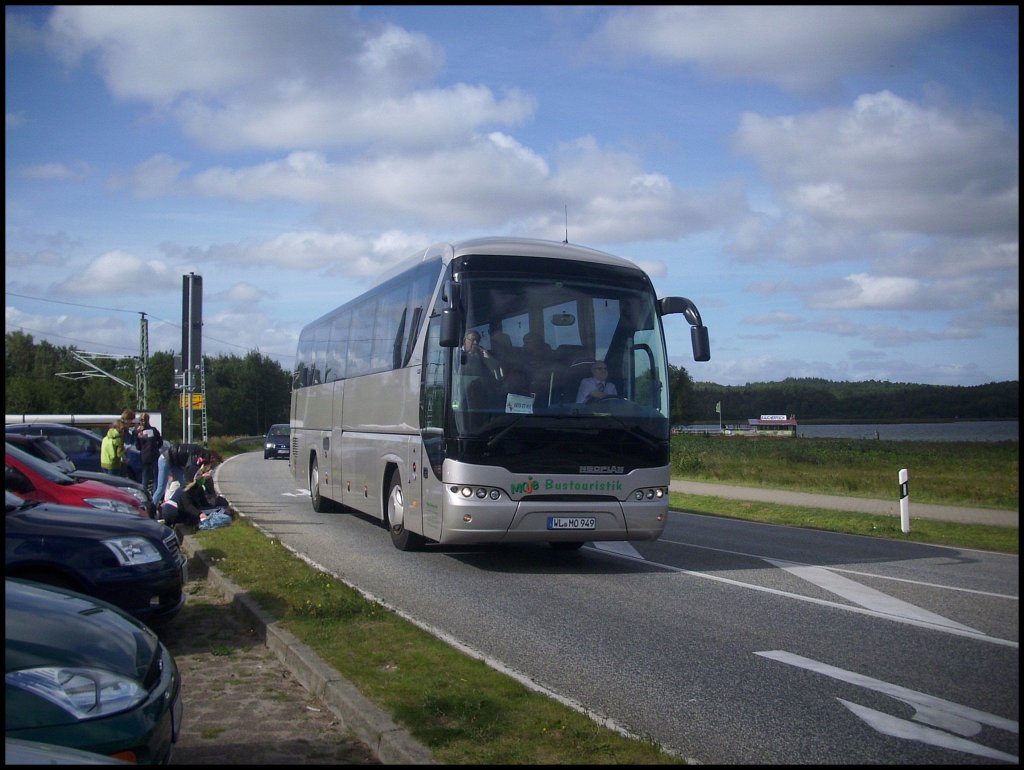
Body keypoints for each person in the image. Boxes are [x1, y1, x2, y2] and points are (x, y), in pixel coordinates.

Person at [135, 412, 162, 493]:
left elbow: (137, 446)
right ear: (148, 420)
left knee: (145, 477)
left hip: (144, 456)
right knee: (156, 477)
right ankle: (154, 494)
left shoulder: (138, 432)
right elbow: (160, 442)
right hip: (154, 455)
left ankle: (143, 493)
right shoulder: (154, 430)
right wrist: (155, 447)